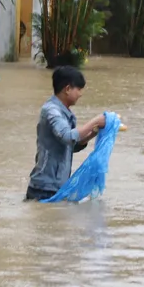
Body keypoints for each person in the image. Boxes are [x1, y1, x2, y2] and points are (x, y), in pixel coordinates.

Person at [25, 66, 105, 201]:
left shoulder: (65, 113)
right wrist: (95, 121)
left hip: (57, 187)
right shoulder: (51, 110)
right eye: (79, 89)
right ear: (67, 89)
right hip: (43, 189)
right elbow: (67, 136)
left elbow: (70, 145)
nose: (80, 94)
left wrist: (94, 132)